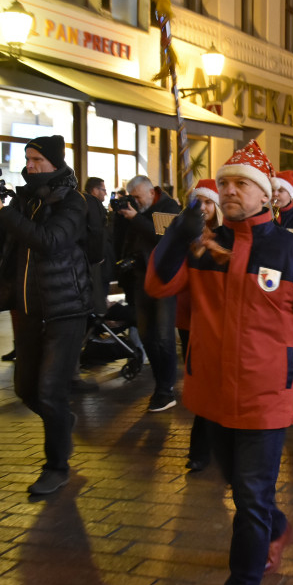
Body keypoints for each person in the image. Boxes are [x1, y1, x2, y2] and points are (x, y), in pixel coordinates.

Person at [145, 140, 293, 585]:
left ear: (265, 194)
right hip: (211, 393)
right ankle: (277, 527)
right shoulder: (205, 245)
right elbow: (157, 285)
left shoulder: (292, 251)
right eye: (225, 183)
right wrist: (176, 236)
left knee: (249, 500)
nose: (230, 191)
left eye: (241, 184)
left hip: (264, 396)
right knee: (238, 484)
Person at [0, 134, 92, 495]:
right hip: (26, 309)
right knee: (26, 389)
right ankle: (61, 423)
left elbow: (50, 241)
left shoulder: (73, 201)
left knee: (49, 389)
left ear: (55, 163)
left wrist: (3, 211)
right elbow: (4, 245)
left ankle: (57, 466)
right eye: (27, 160)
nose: (30, 167)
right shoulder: (25, 200)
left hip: (64, 309)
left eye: (37, 161)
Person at [116, 175, 180, 412]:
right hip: (141, 279)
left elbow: (164, 236)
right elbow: (126, 242)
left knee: (164, 337)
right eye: (131, 198)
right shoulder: (136, 211)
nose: (134, 201)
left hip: (164, 279)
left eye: (137, 197)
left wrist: (136, 218)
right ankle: (161, 384)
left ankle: (166, 388)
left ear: (152, 192)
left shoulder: (169, 207)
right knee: (146, 335)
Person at [175, 178, 222, 473]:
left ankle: (207, 446)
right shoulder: (185, 232)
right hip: (189, 316)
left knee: (216, 380)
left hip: (216, 318)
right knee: (200, 381)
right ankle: (202, 447)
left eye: (208, 202)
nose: (203, 208)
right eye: (199, 203)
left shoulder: (226, 235)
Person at [83, 177, 113, 316]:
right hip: (97, 263)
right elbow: (97, 233)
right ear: (95, 190)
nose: (105, 194)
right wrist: (98, 256)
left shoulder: (84, 203)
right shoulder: (93, 205)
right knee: (98, 297)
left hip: (94, 262)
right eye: (103, 190)